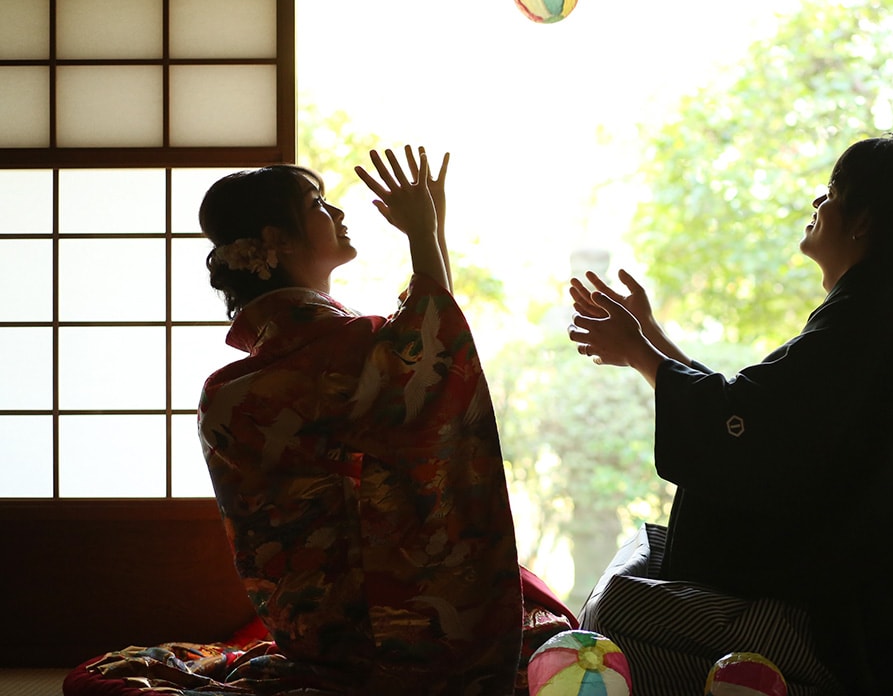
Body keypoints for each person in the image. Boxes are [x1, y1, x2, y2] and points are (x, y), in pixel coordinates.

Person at [75, 148, 573, 696]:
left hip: (312, 627)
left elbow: (429, 347)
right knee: (538, 619)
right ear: (276, 240)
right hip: (381, 624)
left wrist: (433, 231)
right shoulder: (339, 351)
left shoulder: (234, 386)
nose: (336, 212)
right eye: (317, 203)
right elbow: (433, 360)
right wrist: (423, 233)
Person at [567, 134, 893, 696]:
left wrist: (639, 350)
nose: (817, 205)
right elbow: (752, 414)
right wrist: (649, 340)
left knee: (614, 619)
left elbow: (741, 426)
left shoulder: (866, 322)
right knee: (644, 554)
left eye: (831, 193)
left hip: (860, 637)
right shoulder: (876, 315)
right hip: (877, 612)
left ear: (861, 221)